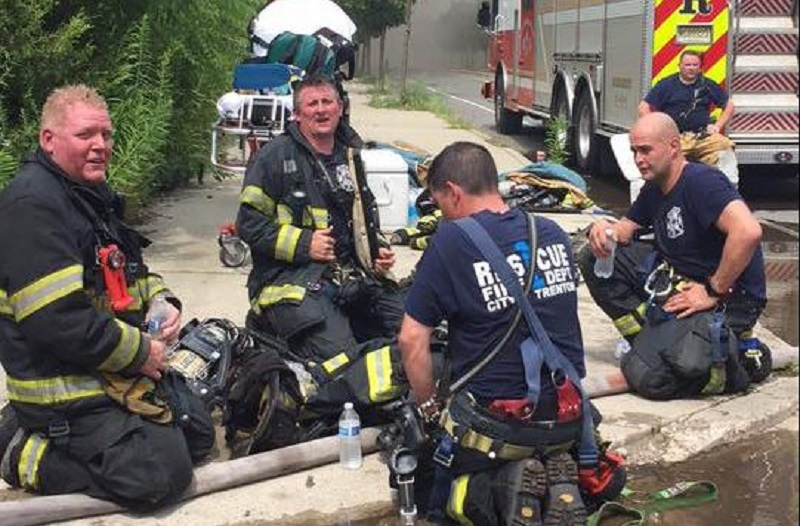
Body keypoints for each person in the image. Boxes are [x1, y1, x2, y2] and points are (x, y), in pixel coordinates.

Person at [0, 85, 214, 508]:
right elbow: (58, 320)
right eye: (85, 136)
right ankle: (19, 447)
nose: (100, 146)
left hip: (104, 368)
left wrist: (162, 301)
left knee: (197, 432)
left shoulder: (86, 196)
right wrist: (140, 353)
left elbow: (129, 271)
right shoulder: (33, 206)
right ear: (49, 140)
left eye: (106, 134)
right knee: (160, 478)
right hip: (62, 385)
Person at [399, 142, 600, 525]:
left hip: (502, 426)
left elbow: (411, 339)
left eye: (440, 203)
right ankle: (558, 477)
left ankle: (506, 487)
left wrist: (427, 408)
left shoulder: (451, 241)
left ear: (454, 192)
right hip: (569, 415)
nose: (441, 214)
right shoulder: (552, 231)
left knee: (434, 488)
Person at [237, 75, 406, 411]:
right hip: (291, 283)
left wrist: (376, 253)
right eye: (311, 104)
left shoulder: (351, 154)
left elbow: (361, 218)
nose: (321, 110)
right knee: (341, 363)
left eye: (327, 102)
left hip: (351, 277)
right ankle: (271, 327)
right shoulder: (273, 158)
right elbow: (249, 224)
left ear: (340, 108)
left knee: (414, 330)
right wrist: (304, 244)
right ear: (297, 115)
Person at [578, 113, 769, 385]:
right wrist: (603, 231)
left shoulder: (702, 183)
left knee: (651, 378)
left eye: (646, 150)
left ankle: (730, 351)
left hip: (731, 297)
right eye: (634, 151)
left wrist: (713, 290)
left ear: (674, 147)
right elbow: (625, 230)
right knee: (593, 258)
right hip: (682, 282)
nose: (638, 159)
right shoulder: (655, 187)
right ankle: (648, 341)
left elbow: (748, 232)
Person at [639, 50, 735, 172]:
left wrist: (717, 126)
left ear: (700, 68)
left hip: (701, 137)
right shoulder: (667, 84)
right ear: (679, 66)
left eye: (695, 65)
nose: (691, 68)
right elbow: (643, 107)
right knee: (663, 162)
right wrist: (656, 130)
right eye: (687, 65)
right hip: (675, 138)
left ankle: (726, 186)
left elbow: (729, 106)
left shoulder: (707, 84)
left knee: (726, 147)